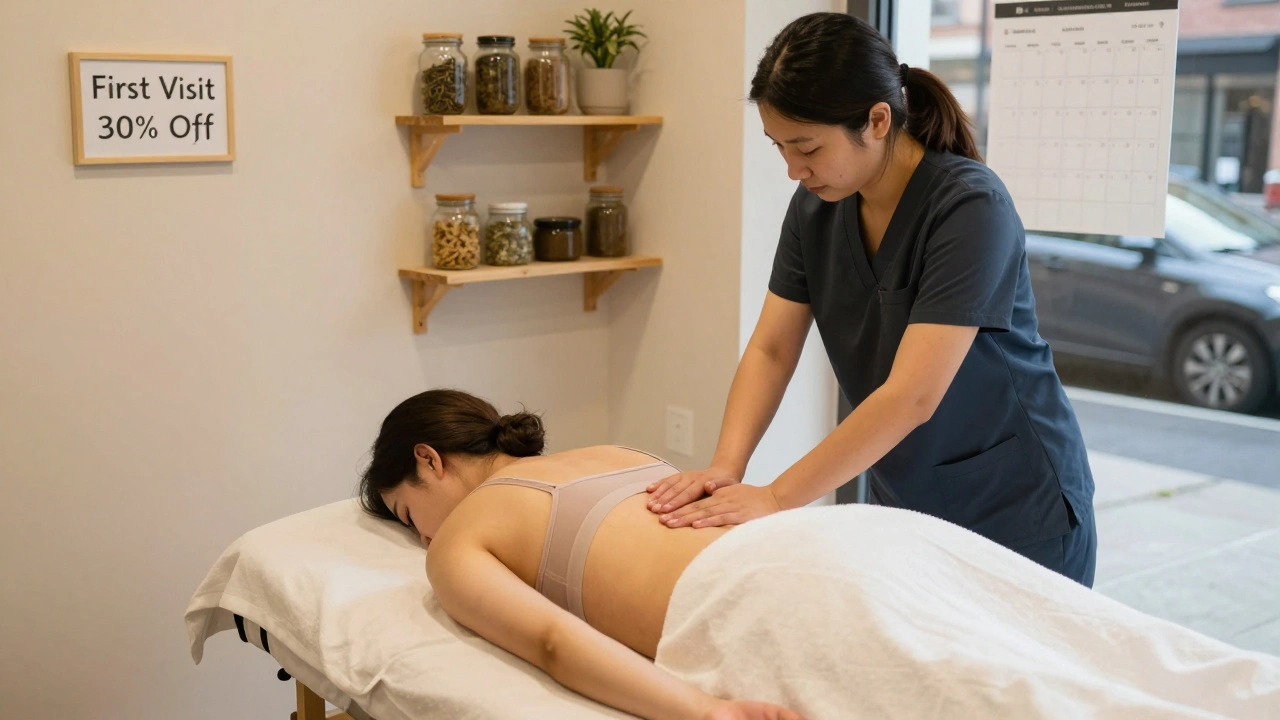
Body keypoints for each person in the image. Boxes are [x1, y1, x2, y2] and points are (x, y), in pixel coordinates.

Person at [357, 390, 1280, 720]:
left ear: (429, 461)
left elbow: (556, 645)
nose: (421, 536)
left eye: (407, 514)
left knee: (1002, 701)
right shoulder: (605, 450)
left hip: (763, 590)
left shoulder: (464, 538)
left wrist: (699, 712)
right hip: (856, 531)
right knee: (1089, 647)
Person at [645, 12, 1097, 586]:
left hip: (1015, 506)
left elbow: (912, 395)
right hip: (906, 498)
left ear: (878, 120)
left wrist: (777, 498)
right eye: (779, 147)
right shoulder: (817, 206)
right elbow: (771, 350)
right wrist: (725, 469)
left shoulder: (969, 206)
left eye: (807, 147)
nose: (793, 170)